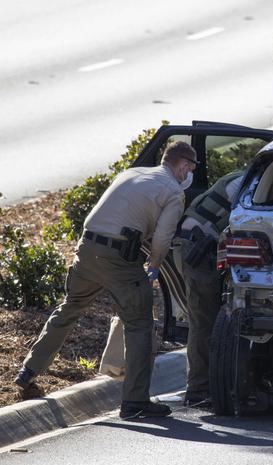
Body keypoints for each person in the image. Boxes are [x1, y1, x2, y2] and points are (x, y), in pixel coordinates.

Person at [14, 141, 199, 419]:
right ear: (183, 165)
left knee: (70, 307)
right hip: (119, 258)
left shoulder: (131, 173)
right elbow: (162, 237)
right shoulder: (173, 191)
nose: (190, 174)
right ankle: (135, 402)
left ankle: (28, 371)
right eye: (191, 168)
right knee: (139, 324)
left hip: (87, 249)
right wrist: (155, 265)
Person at [178, 170, 244, 406]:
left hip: (202, 246)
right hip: (200, 251)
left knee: (211, 319)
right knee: (204, 321)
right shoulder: (245, 184)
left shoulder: (239, 177)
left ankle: (215, 385)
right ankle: (198, 390)